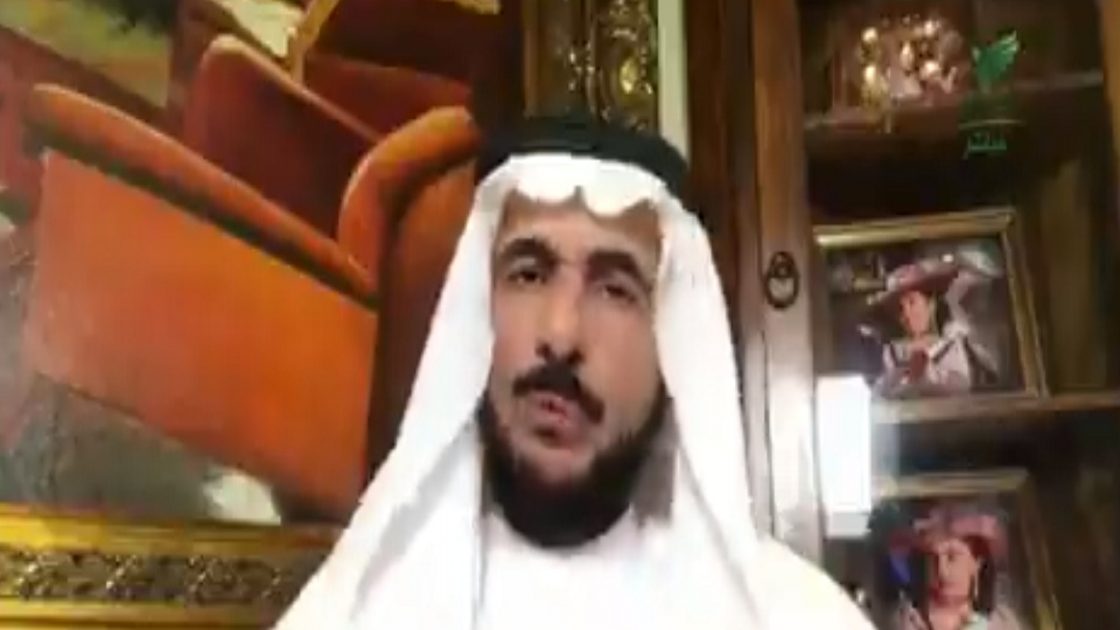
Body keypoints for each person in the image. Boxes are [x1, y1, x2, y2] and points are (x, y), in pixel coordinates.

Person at [275, 114, 874, 628]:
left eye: (615, 289)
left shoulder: (797, 616)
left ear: (672, 340)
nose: (560, 334)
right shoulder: (353, 610)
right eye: (528, 275)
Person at [869, 258, 999, 399]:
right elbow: (882, 395)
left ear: (930, 304)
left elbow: (961, 387)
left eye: (912, 302)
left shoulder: (955, 343)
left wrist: (924, 372)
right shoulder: (893, 353)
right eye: (899, 308)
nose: (906, 314)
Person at [891, 504, 1025, 630]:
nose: (942, 571)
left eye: (952, 557)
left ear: (977, 561)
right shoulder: (906, 621)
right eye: (933, 559)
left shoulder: (1002, 624)